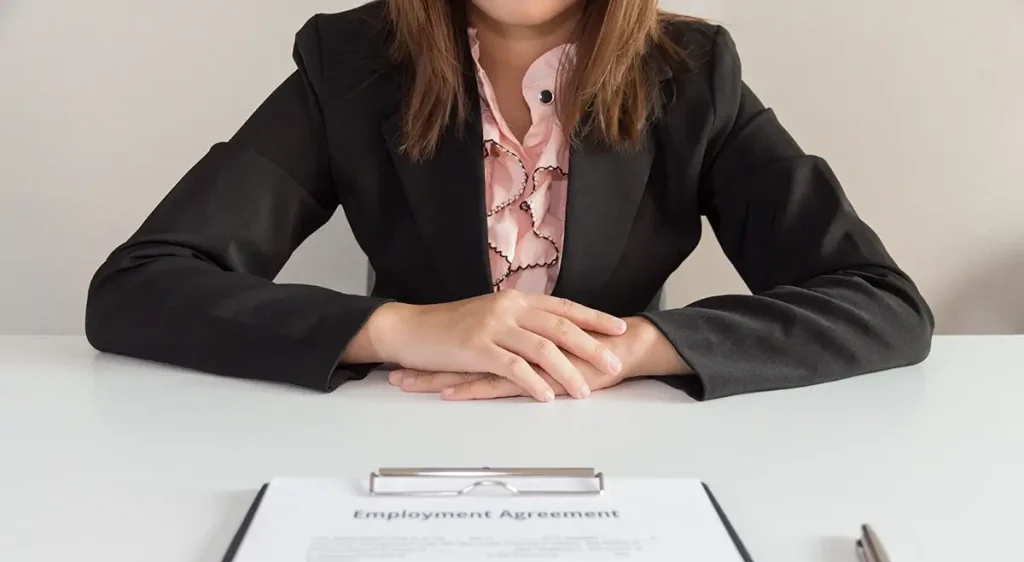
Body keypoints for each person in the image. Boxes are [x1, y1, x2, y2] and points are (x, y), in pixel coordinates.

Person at [85, 0, 934, 402]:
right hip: (400, 450)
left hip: (628, 463)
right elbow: (138, 287)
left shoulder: (692, 71)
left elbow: (880, 304)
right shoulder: (347, 60)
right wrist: (399, 328)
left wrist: (632, 349)